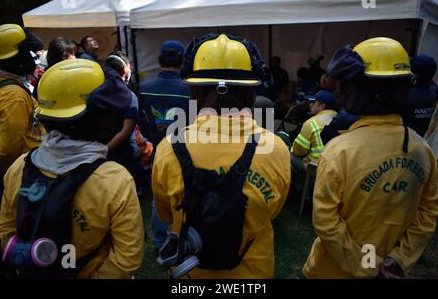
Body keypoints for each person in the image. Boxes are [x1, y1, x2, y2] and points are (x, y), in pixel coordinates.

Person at [152, 34, 291, 278]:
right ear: (251, 95)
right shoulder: (276, 148)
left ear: (195, 93)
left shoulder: (168, 147)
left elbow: (165, 214)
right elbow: (273, 210)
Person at [303, 38, 438, 279]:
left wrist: (365, 265)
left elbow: (325, 220)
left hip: (333, 271)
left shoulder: (339, 151)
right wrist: (397, 261)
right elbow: (428, 213)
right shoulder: (423, 150)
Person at [0, 59, 144, 278]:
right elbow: (128, 257)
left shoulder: (20, 166)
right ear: (99, 119)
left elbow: (6, 231)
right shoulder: (115, 179)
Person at [139, 40, 190, 251]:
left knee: (158, 196)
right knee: (186, 194)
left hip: (158, 149)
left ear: (160, 59)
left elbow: (141, 119)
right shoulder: (189, 89)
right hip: (185, 151)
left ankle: (161, 241)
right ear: (182, 60)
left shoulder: (145, 87)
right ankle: (184, 237)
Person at [0, 24, 45, 176]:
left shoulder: (4, 83)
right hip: (22, 172)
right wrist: (11, 177)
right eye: (28, 52)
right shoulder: (14, 96)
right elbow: (9, 149)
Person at [103, 51, 143, 195]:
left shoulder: (97, 93)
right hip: (125, 155)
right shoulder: (129, 96)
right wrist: (103, 150)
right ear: (125, 69)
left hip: (104, 155)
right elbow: (126, 131)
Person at [290, 89, 337, 173]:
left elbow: (298, 151)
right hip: (336, 170)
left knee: (287, 155)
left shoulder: (311, 123)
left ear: (322, 106)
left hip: (316, 170)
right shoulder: (340, 120)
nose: (310, 105)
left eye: (314, 102)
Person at [403, 54, 438, 137]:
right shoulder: (434, 91)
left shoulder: (408, 95)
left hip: (404, 137)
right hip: (420, 138)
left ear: (415, 76)